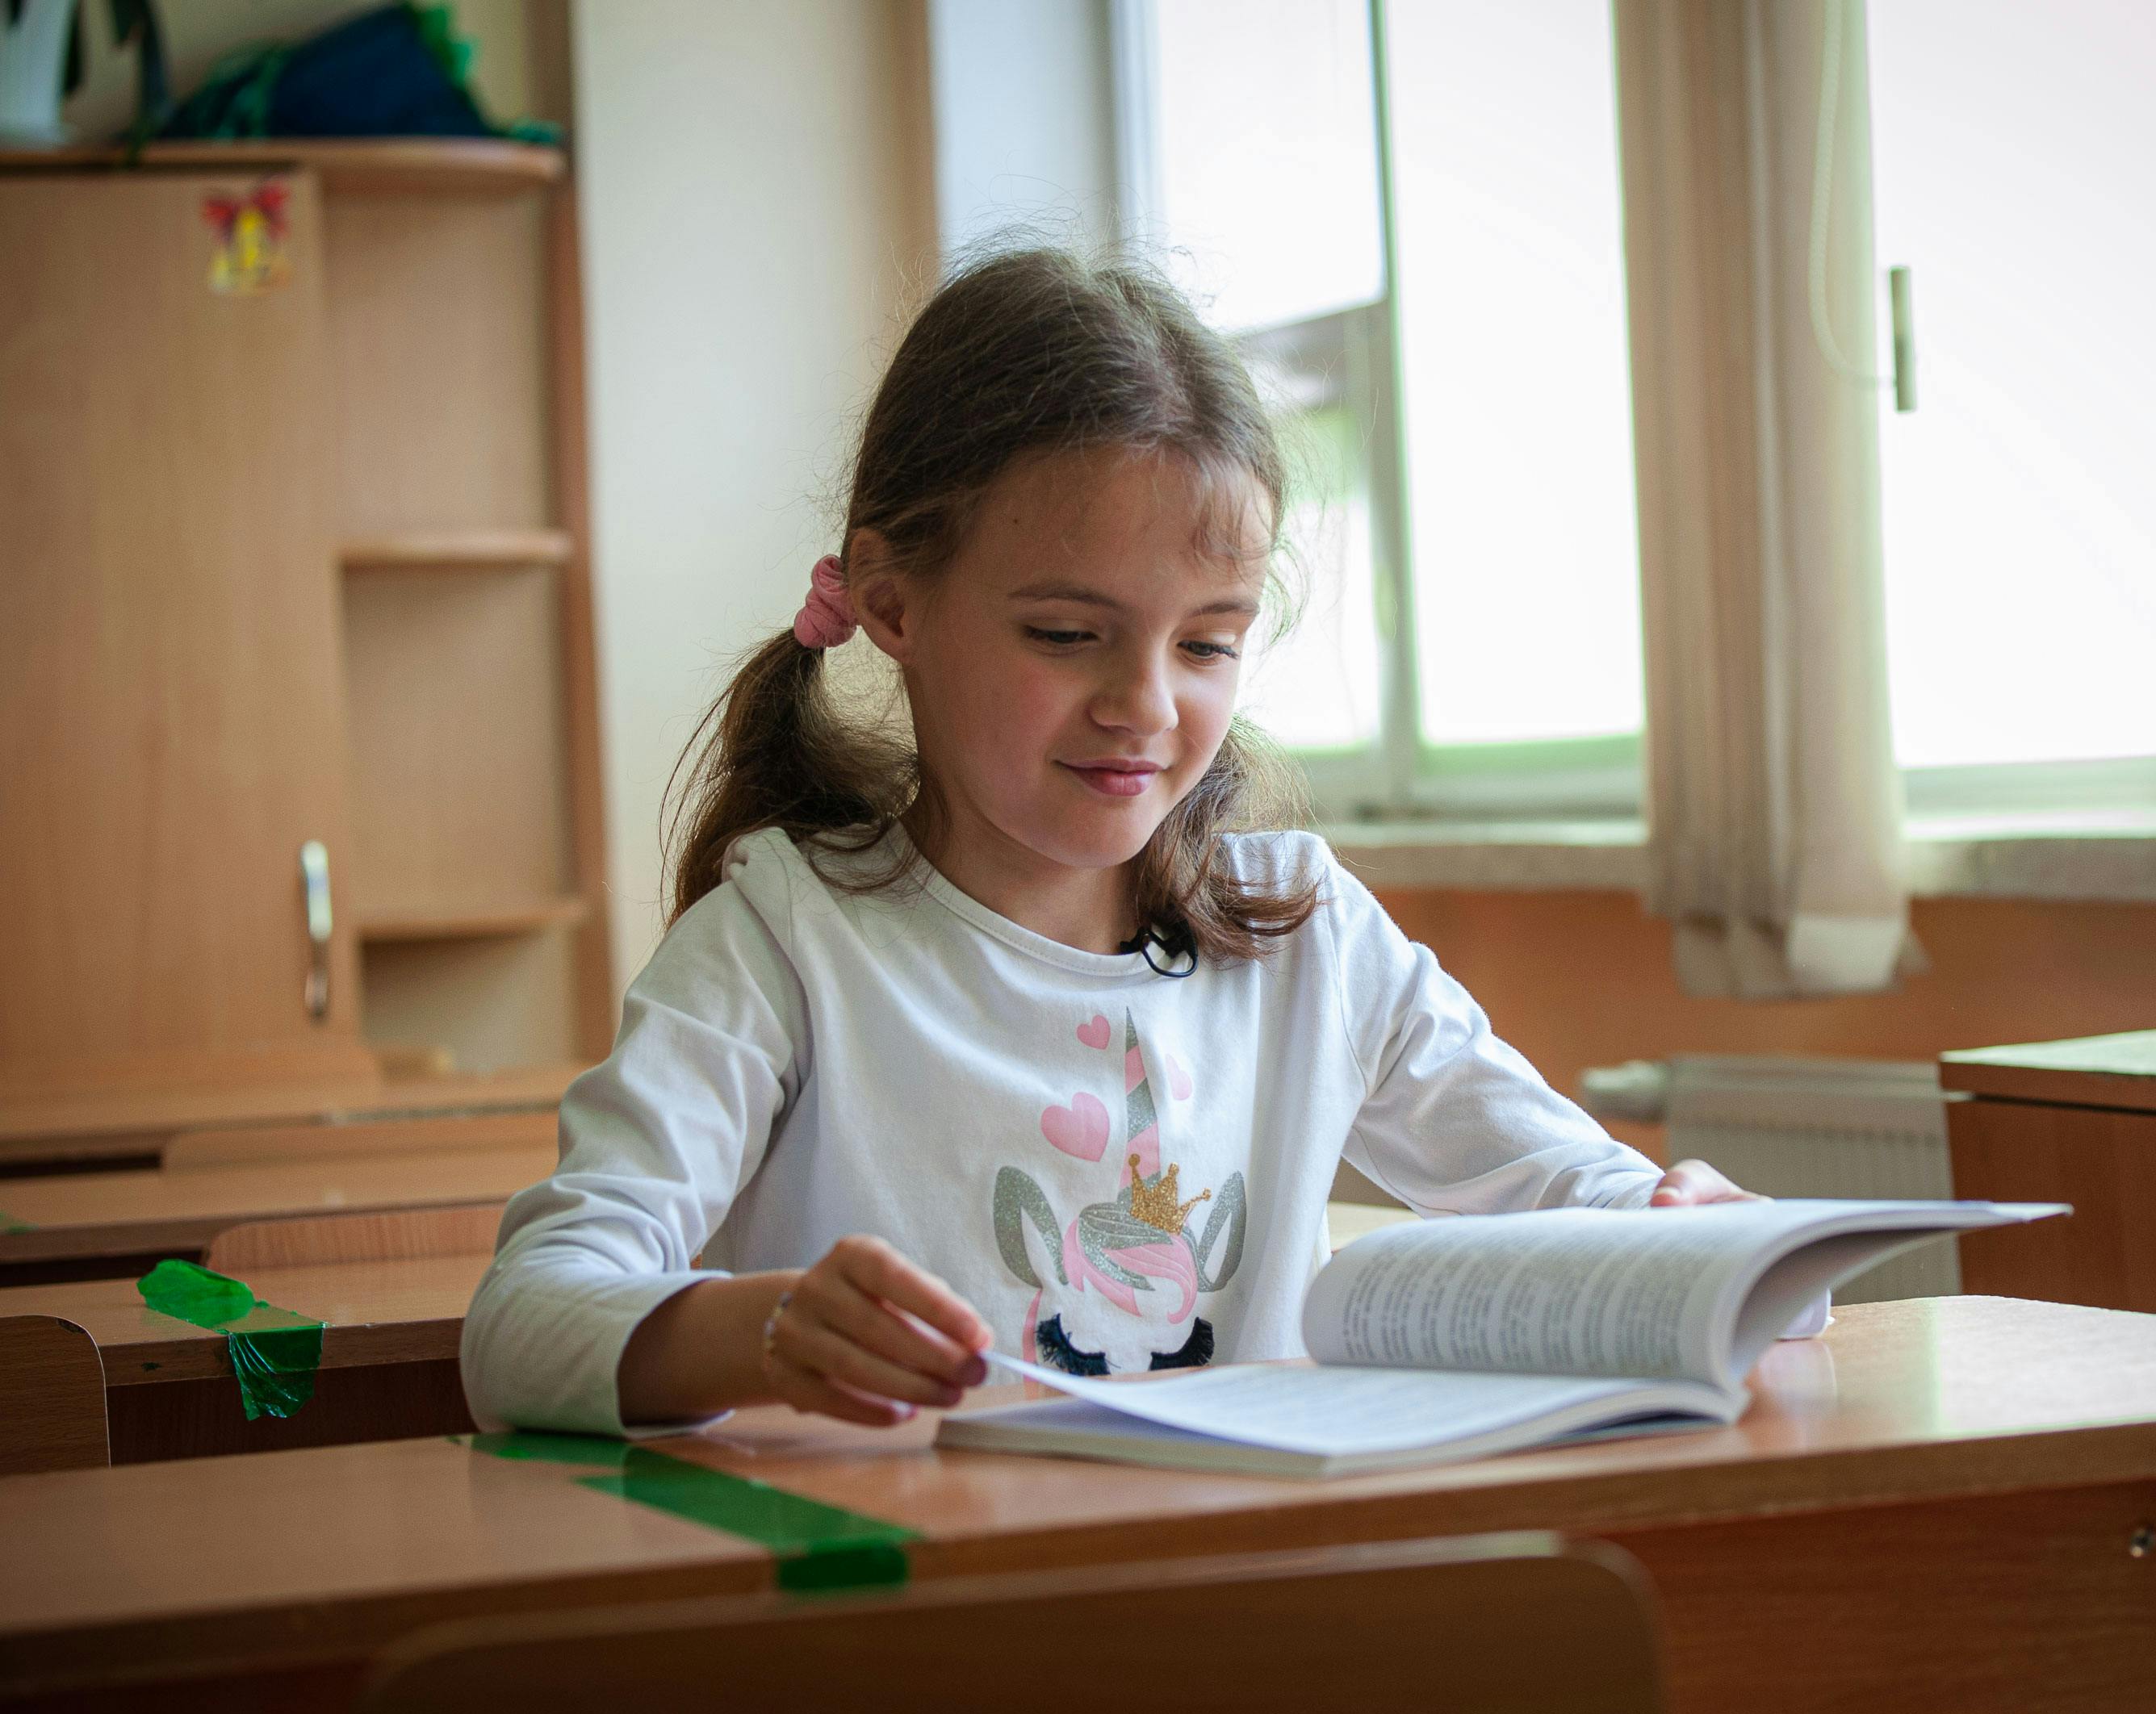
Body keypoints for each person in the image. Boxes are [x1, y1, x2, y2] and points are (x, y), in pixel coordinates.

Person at [460, 246, 1748, 1437]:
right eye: (1068, 636)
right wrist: (762, 1330)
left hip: (1232, 1614)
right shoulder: (781, 945)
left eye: (1206, 644)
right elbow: (523, 1323)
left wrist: (1688, 1227)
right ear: (894, 602)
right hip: (909, 1625)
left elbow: (1582, 1197)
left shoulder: (1305, 929)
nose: (1144, 703)